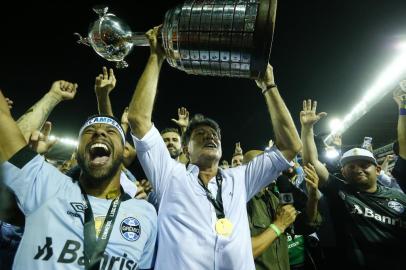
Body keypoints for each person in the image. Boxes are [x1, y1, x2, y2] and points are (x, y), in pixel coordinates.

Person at [127, 26, 302, 269]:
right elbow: (138, 120)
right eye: (200, 134)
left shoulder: (239, 179)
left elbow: (291, 146)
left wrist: (268, 86)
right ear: (186, 150)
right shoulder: (170, 175)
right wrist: (156, 58)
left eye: (214, 134)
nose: (210, 137)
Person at [0, 86, 157, 269]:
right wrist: (53, 96)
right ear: (77, 151)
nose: (100, 132)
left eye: (111, 131)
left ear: (124, 152)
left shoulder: (146, 213)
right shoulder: (45, 183)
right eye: (89, 131)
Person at [300, 99, 406, 269]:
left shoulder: (399, 197)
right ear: (343, 172)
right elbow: (311, 162)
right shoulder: (339, 191)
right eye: (351, 166)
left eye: (364, 165)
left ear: (378, 169)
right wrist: (307, 129)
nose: (357, 169)